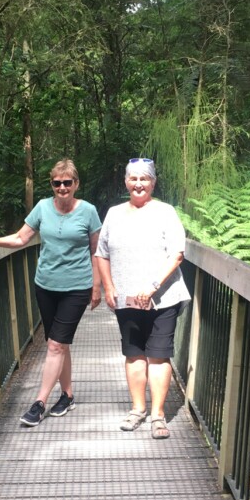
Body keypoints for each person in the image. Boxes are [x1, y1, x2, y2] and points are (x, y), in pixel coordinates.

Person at [0, 159, 101, 427]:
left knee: (55, 344)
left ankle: (39, 402)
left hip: (76, 288)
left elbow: (96, 251)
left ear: (76, 184)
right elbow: (22, 238)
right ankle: (67, 396)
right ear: (52, 185)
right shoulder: (43, 207)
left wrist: (96, 286)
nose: (62, 187)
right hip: (45, 285)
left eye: (67, 182)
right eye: (57, 183)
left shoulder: (89, 212)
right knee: (59, 342)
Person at [95, 157, 190, 439]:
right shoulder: (113, 213)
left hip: (163, 297)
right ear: (125, 182)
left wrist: (151, 287)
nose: (138, 184)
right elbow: (102, 253)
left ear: (153, 182)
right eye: (133, 178)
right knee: (134, 353)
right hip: (126, 298)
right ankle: (138, 409)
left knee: (158, 356)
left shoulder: (165, 212)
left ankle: (158, 415)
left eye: (144, 179)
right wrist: (108, 287)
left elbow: (177, 253)